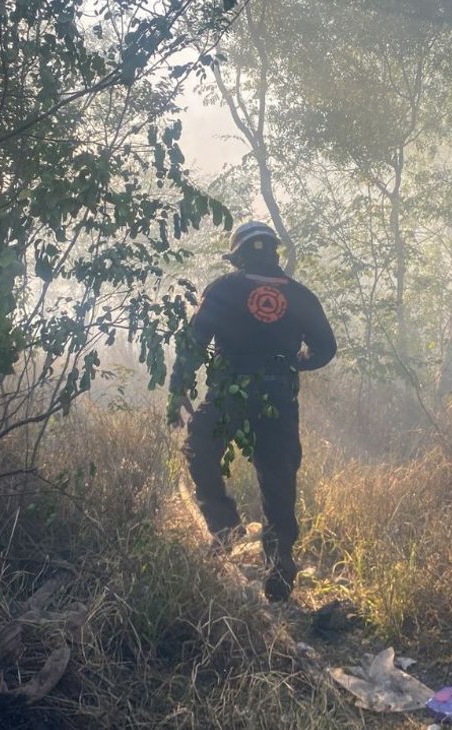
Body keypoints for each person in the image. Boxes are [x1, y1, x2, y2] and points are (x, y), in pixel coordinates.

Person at [167, 221, 336, 602]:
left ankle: (224, 525)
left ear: (238, 255)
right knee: (279, 481)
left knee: (200, 444)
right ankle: (278, 567)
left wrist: (178, 388)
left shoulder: (224, 289)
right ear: (274, 252)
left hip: (230, 396)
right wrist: (294, 363)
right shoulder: (301, 296)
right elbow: (325, 348)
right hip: (279, 399)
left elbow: (194, 343)